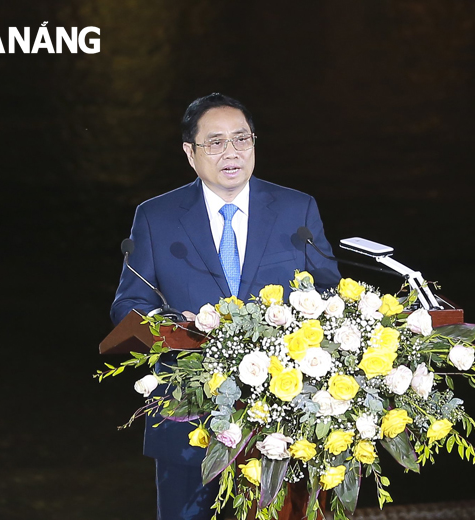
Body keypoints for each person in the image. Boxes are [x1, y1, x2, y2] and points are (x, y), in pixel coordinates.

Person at [110, 93, 341, 520]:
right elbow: (130, 302)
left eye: (241, 139)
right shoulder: (156, 217)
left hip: (284, 421)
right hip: (187, 419)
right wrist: (179, 326)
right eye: (215, 142)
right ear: (190, 153)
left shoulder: (296, 209)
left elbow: (329, 296)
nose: (231, 152)